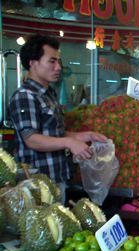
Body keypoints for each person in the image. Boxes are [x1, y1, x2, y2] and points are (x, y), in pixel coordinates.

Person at [9, 34, 107, 202]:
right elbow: (32, 139)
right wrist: (69, 142)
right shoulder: (25, 96)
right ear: (33, 63)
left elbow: (54, 134)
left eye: (58, 62)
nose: (58, 67)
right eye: (51, 61)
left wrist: (84, 136)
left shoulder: (49, 94)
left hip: (57, 178)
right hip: (37, 186)